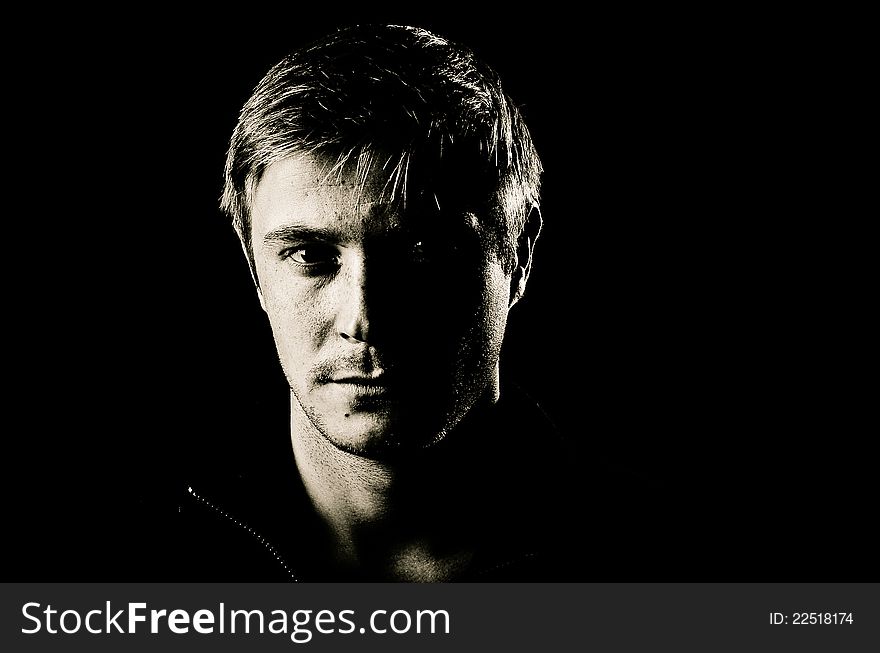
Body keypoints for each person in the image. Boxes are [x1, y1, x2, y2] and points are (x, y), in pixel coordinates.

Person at [174, 24, 649, 582]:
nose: (364, 320)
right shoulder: (125, 557)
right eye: (310, 256)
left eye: (424, 254)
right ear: (254, 267)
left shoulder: (668, 565)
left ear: (517, 255)